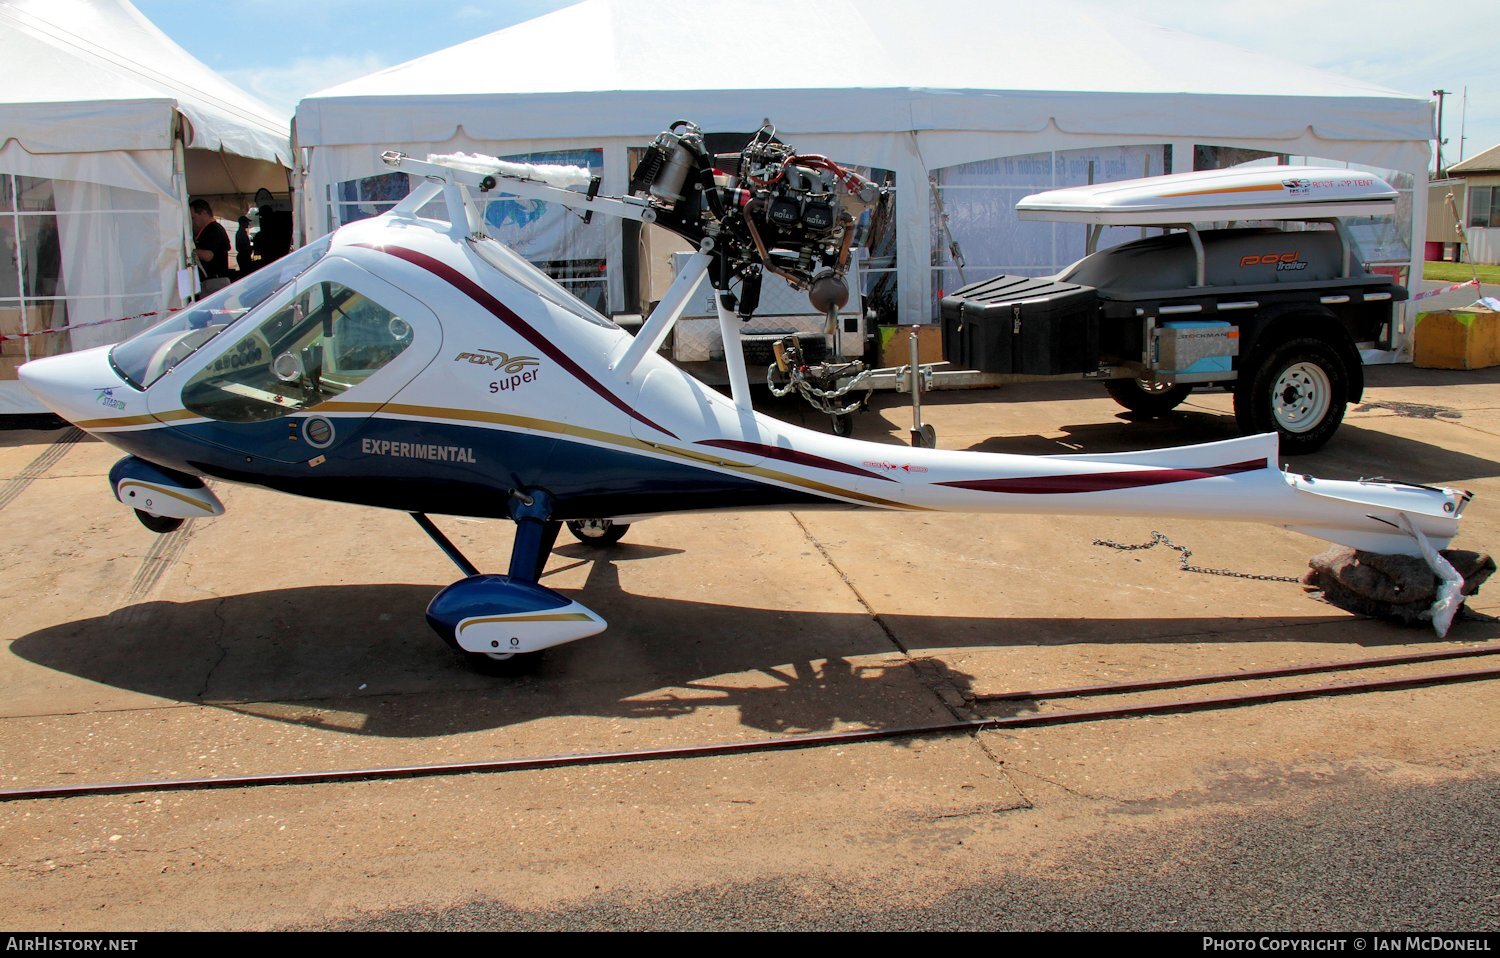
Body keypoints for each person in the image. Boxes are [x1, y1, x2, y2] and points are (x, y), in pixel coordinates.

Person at [190, 198, 231, 295]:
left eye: (193, 218)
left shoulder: (214, 229)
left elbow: (208, 255)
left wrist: (189, 251)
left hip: (215, 282)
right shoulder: (207, 230)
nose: (193, 222)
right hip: (209, 282)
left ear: (203, 213)